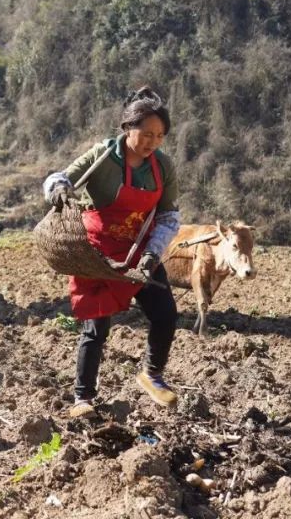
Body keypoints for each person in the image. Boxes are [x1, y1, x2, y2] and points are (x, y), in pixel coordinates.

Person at [42, 87, 182, 418]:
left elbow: (169, 216)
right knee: (96, 327)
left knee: (165, 314)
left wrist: (153, 253)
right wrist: (60, 189)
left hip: (139, 250)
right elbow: (58, 178)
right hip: (97, 252)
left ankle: (152, 374)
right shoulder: (103, 155)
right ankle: (83, 398)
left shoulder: (163, 167)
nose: (152, 142)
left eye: (159, 136)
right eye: (146, 134)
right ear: (126, 127)